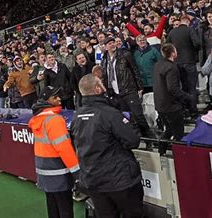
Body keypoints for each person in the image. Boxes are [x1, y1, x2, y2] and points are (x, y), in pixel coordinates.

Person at [70, 74, 143, 217]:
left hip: (93, 181)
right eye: (101, 83)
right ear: (97, 88)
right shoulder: (110, 114)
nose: (104, 85)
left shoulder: (76, 117)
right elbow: (133, 140)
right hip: (119, 180)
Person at [28, 86, 80, 218]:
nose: (59, 99)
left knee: (52, 208)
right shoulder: (55, 120)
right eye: (55, 97)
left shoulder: (39, 119)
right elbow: (64, 149)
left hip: (45, 173)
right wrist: (77, 172)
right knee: (65, 210)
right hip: (59, 173)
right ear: (46, 100)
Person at [101, 37, 156, 139]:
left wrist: (139, 86)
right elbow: (105, 75)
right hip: (116, 93)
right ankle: (135, 137)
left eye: (113, 43)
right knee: (126, 117)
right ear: (105, 47)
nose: (112, 45)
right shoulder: (104, 59)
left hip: (129, 90)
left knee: (138, 116)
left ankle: (149, 138)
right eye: (109, 44)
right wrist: (108, 91)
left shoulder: (125, 54)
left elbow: (135, 70)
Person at [153, 43, 192, 154]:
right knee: (178, 133)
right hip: (171, 106)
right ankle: (180, 156)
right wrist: (187, 97)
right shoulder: (171, 67)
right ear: (173, 53)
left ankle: (162, 150)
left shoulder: (157, 65)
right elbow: (173, 88)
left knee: (169, 129)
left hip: (160, 105)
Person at [166, 15, 200, 118]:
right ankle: (193, 112)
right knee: (192, 88)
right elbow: (197, 43)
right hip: (189, 62)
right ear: (188, 22)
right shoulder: (190, 30)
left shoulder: (172, 32)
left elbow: (167, 47)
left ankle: (185, 111)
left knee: (182, 88)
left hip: (176, 63)